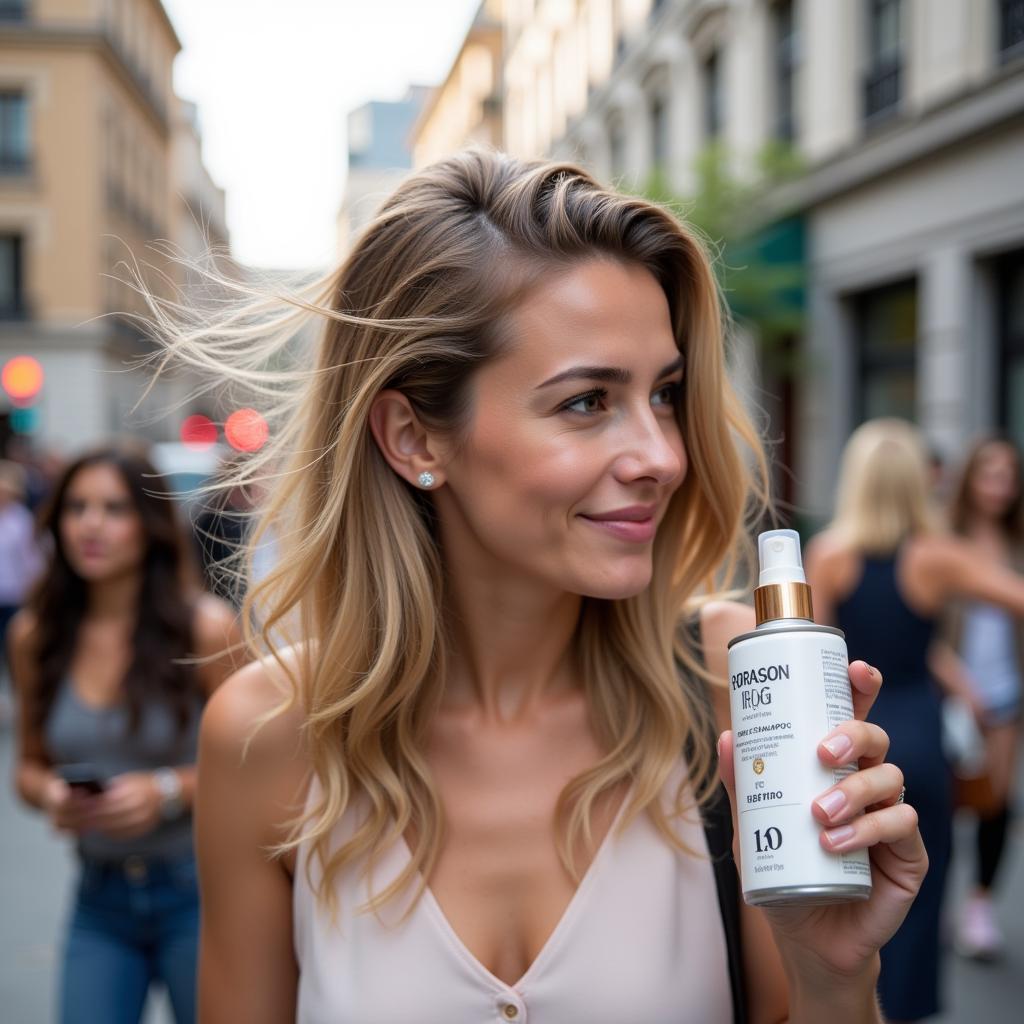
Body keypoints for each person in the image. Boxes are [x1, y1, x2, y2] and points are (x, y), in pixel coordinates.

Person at [156, 151, 925, 1023]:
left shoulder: (733, 684)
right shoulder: (266, 735)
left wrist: (834, 977)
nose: (664, 457)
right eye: (587, 402)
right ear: (414, 438)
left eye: (665, 394)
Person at [8, 443, 242, 1024]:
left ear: (149, 526)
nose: (90, 524)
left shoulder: (207, 629)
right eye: (76, 507)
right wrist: (53, 796)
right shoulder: (34, 636)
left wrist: (167, 791)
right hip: (99, 898)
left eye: (114, 509)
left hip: (201, 893)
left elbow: (258, 768)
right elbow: (29, 768)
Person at [804, 418, 1024, 1023]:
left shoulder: (828, 556)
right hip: (924, 738)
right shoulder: (937, 558)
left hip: (858, 738)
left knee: (852, 894)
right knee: (918, 894)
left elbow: (815, 661)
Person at [944, 435, 1024, 958]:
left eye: (1008, 475)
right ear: (969, 479)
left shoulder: (1017, 545)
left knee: (995, 801)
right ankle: (933, 907)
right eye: (988, 473)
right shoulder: (942, 542)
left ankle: (978, 908)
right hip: (949, 692)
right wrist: (958, 684)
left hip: (1007, 693)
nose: (998, 485)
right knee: (942, 802)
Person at [0, 459, 44, 723]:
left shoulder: (21, 520)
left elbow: (31, 561)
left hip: (14, 597)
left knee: (12, 649)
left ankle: (20, 698)